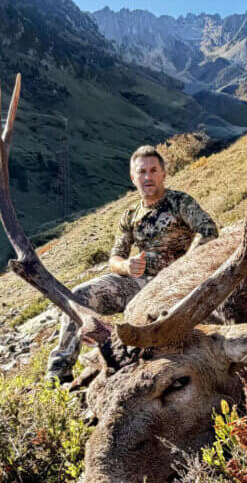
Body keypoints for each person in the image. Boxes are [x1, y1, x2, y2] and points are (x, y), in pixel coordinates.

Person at [46, 145, 218, 381]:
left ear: (163, 173)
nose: (148, 177)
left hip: (178, 285)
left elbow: (207, 231)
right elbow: (114, 258)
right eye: (142, 172)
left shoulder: (180, 202)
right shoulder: (129, 215)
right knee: (77, 297)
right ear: (133, 177)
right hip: (140, 283)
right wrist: (126, 266)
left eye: (153, 170)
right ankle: (58, 373)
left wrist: (184, 266)